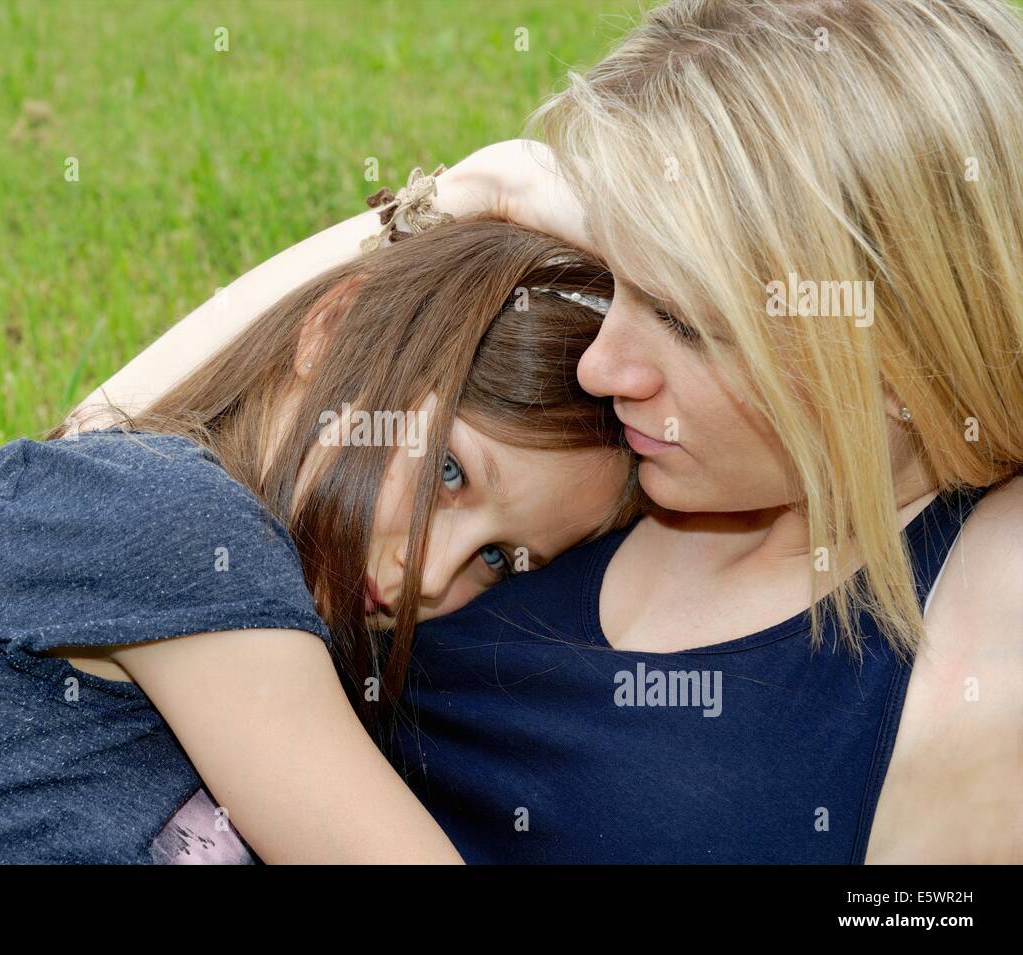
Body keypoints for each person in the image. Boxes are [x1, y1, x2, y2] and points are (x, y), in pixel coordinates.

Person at [77, 0, 1023, 863]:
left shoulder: (978, 601)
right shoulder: (607, 457)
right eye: (620, 286)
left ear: (896, 352)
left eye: (685, 321)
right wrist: (465, 195)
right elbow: (86, 475)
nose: (603, 369)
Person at [0, 215, 632, 864]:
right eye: (447, 472)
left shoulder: (158, 520)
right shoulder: (174, 522)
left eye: (498, 560)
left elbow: (99, 424)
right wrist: (465, 193)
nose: (426, 577)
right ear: (334, 328)